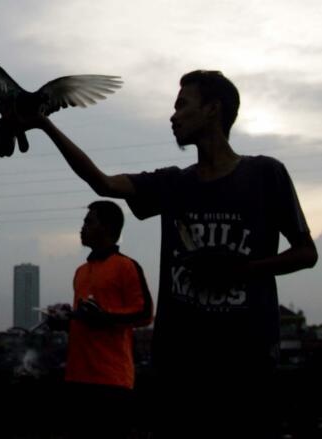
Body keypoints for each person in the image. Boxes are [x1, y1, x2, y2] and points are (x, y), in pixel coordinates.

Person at [26, 70, 318, 438]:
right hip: (179, 366)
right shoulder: (172, 183)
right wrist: (44, 124)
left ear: (212, 109)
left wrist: (241, 269)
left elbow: (306, 253)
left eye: (182, 105)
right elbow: (103, 183)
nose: (173, 115)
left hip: (246, 363)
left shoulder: (265, 174)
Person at [46, 200, 153, 439]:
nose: (82, 227)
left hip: (112, 380)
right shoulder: (81, 272)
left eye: (89, 222)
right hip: (77, 376)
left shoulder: (126, 266)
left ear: (108, 228)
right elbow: (86, 321)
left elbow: (145, 313)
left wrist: (104, 317)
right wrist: (64, 321)